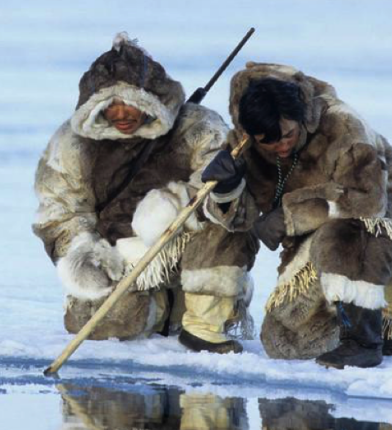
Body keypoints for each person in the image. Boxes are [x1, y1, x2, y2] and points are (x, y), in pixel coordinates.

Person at [32, 34, 258, 354]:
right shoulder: (72, 144)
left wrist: (202, 195)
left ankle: (205, 322)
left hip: (182, 243)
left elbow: (235, 207)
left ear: (150, 100)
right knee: (105, 323)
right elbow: (59, 211)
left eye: (131, 103)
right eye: (111, 106)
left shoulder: (198, 128)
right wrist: (88, 259)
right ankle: (165, 308)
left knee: (222, 226)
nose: (121, 114)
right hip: (118, 258)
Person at [202, 63, 392, 368]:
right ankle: (346, 318)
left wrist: (289, 216)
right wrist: (226, 190)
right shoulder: (243, 145)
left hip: (385, 205)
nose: (281, 146)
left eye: (288, 135)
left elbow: (367, 201)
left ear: (300, 119)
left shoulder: (343, 126)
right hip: (318, 219)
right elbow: (242, 220)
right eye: (269, 141)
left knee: (351, 233)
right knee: (286, 343)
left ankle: (370, 335)